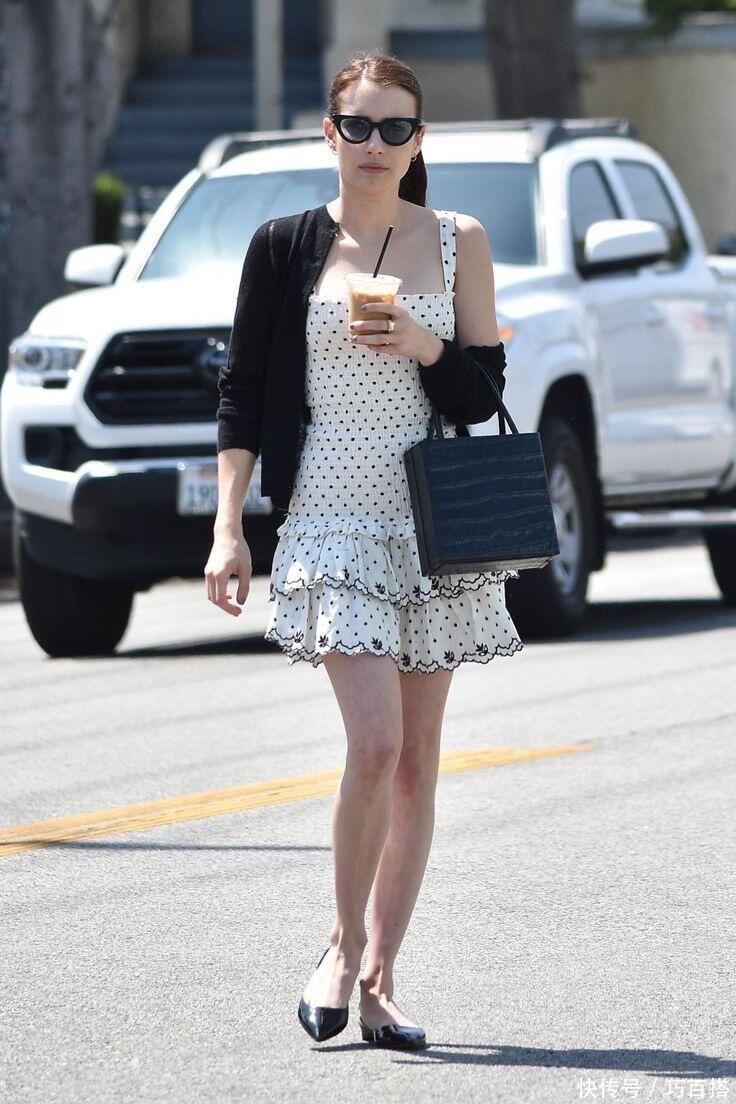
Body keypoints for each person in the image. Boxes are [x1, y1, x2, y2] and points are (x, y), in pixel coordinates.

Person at [204, 50, 523, 1050]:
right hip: (330, 518)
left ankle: (381, 979)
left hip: (431, 523)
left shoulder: (459, 241)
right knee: (375, 745)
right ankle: (341, 949)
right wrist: (227, 526)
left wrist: (426, 349)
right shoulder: (283, 246)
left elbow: (486, 392)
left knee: (418, 766)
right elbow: (241, 394)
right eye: (358, 125)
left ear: (418, 140)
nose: (375, 144)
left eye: (395, 128)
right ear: (329, 132)